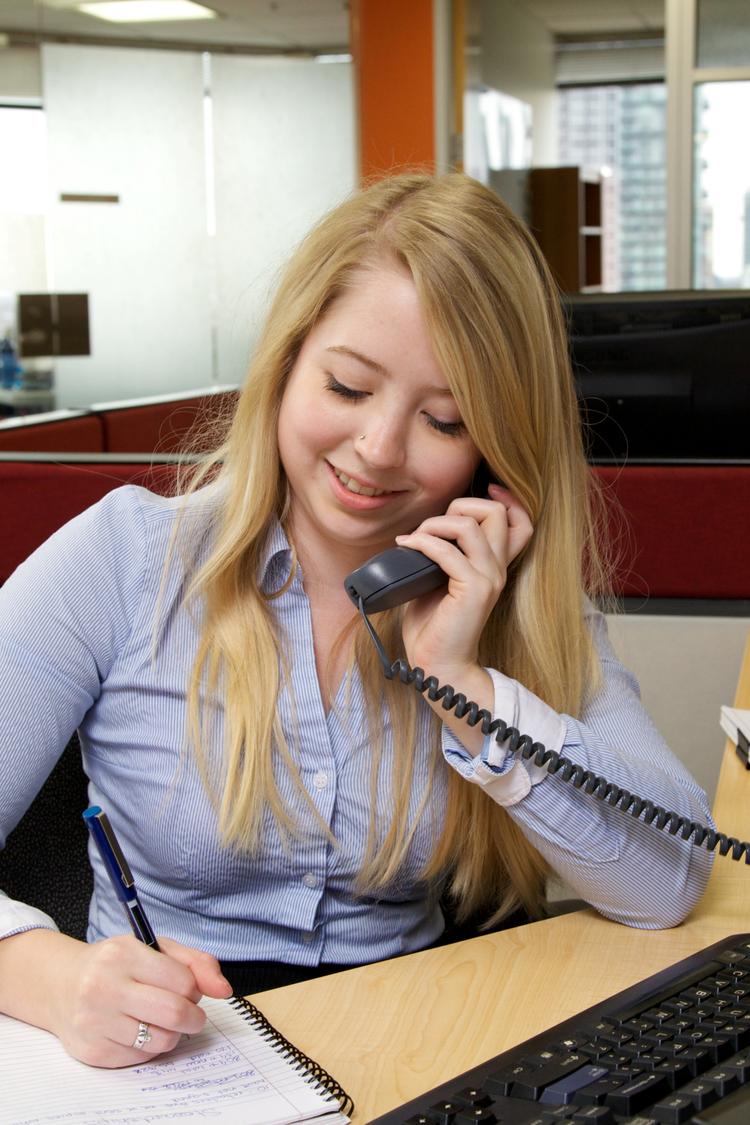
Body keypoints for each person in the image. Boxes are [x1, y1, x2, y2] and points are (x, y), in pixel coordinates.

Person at [0, 172, 713, 1069]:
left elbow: (669, 884)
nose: (378, 449)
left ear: (494, 451)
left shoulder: (508, 607)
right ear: (287, 362)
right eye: (346, 386)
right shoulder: (126, 561)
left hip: (412, 1049)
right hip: (169, 1062)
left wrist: (465, 684)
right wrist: (51, 975)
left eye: (443, 418)